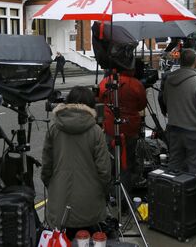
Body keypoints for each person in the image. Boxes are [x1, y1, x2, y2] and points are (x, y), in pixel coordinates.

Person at [41, 86, 111, 239]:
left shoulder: (54, 129)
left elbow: (46, 167)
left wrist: (53, 187)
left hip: (60, 205)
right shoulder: (96, 131)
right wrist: (104, 193)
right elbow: (104, 171)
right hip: (90, 205)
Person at [161, 49, 196, 211]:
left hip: (174, 128)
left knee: (174, 164)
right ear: (195, 62)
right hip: (193, 132)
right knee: (195, 168)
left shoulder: (169, 80)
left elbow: (164, 101)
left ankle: (172, 196)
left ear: (180, 61)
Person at [99, 68, 147, 192]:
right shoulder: (136, 84)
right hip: (130, 129)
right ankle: (124, 193)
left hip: (110, 128)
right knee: (127, 161)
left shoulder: (105, 82)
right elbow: (142, 105)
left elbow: (99, 100)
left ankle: (111, 190)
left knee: (111, 158)